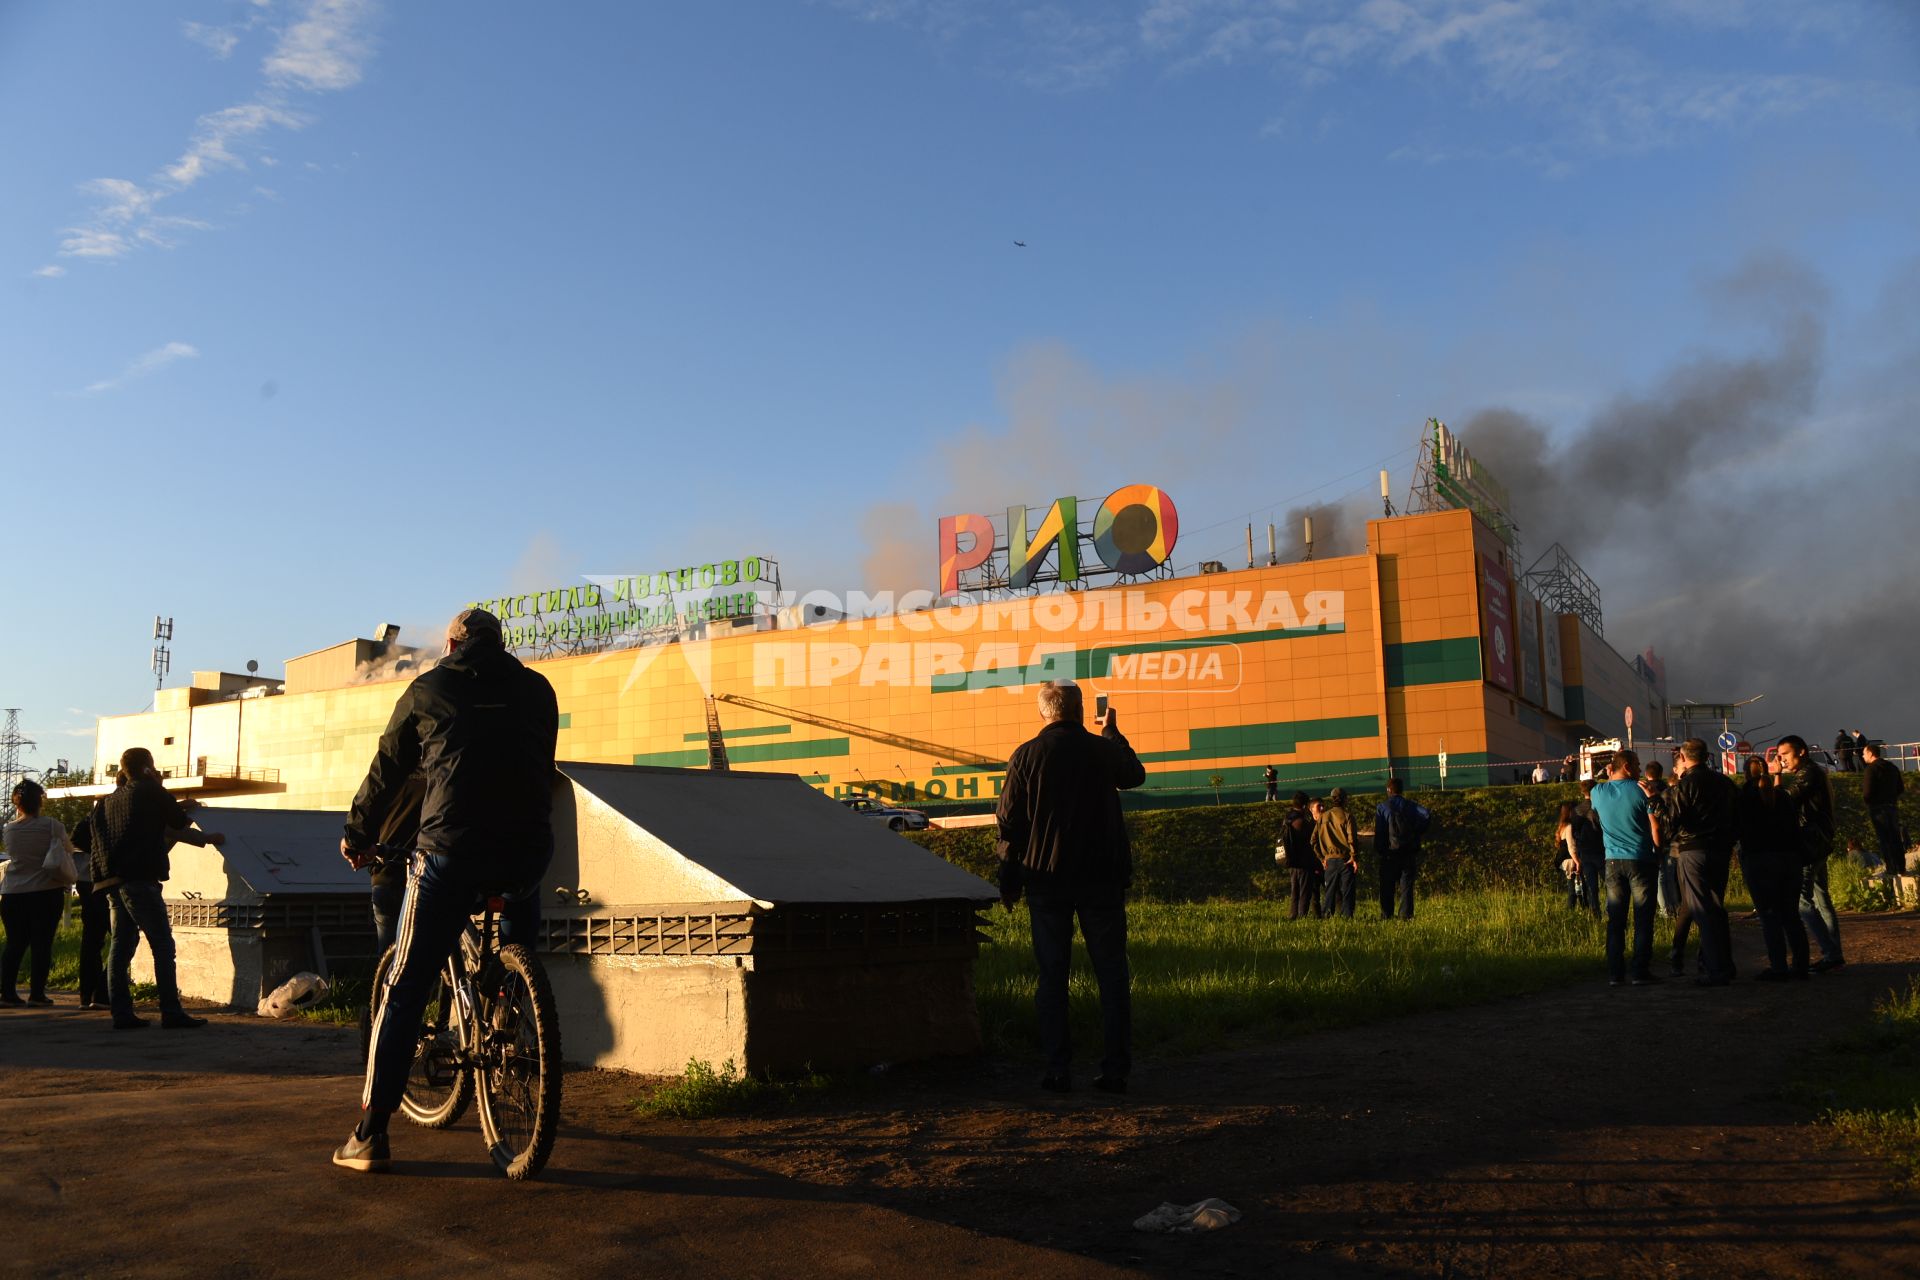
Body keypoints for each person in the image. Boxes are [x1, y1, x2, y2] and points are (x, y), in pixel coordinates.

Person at [334, 607, 560, 1172]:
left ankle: (369, 1134)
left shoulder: (428, 687)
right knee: (517, 932)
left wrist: (357, 835)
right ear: (501, 643)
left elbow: (387, 770)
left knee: (404, 985)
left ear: (452, 643)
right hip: (527, 851)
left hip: (450, 853)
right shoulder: (539, 690)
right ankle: (507, 1009)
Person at [994, 680, 1145, 1096]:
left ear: (1043, 713)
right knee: (1112, 976)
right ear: (1080, 711)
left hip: (1046, 882)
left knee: (1052, 977)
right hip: (1101, 880)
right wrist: (1111, 730)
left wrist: (1008, 882)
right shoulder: (1103, 750)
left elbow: (1009, 825)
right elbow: (1135, 775)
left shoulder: (1026, 756)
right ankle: (1116, 1071)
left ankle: (1058, 1070)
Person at [91, 748, 226, 1030]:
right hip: (140, 879)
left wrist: (177, 807)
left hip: (110, 881)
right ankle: (171, 1011)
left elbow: (159, 825)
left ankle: (122, 1013)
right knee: (163, 945)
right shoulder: (150, 791)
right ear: (148, 768)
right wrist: (181, 805)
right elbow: (176, 822)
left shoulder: (107, 803)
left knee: (120, 947)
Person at [1664, 739, 1738, 986]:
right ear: (1707, 757)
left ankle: (1714, 970)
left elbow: (1673, 820)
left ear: (1684, 758)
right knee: (1716, 907)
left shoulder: (1685, 784)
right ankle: (1724, 965)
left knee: (1701, 910)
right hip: (1721, 849)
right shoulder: (1726, 783)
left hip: (1693, 849)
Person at [1589, 753, 1664, 986]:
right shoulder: (1643, 789)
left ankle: (1615, 973)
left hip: (1612, 860)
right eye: (1638, 765)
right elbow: (1655, 826)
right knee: (1643, 918)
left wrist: (1608, 773)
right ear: (1628, 766)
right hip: (1641, 859)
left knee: (1616, 919)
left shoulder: (1597, 792)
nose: (1641, 769)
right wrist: (1659, 853)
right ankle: (1640, 972)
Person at [1, 780, 77, 1007]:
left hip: (13, 892)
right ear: (40, 801)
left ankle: (7, 993)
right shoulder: (53, 826)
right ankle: (37, 994)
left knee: (14, 944)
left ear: (17, 804)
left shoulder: (9, 829)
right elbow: (68, 851)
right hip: (45, 892)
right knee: (42, 944)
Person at [1737, 756, 1809, 980]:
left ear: (1746, 773)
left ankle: (1778, 966)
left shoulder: (1745, 796)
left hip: (1759, 859)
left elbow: (1738, 827)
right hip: (1789, 858)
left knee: (1769, 916)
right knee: (1791, 915)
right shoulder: (1783, 796)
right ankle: (1801, 965)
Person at [1776, 735, 1843, 972]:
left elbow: (1784, 801)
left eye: (1785, 755)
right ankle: (1834, 953)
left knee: (1802, 901)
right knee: (1821, 897)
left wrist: (1775, 776)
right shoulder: (1814, 772)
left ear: (1801, 752)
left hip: (1809, 843)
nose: (1782, 760)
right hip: (1820, 840)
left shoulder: (1808, 774)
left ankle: (1830, 952)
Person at [367, 772, 428, 954]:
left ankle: (387, 980)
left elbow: (367, 822)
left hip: (385, 875)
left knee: (389, 955)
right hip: (422, 876)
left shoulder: (387, 783)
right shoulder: (436, 784)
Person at [68, 809, 112, 1010]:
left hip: (85, 881)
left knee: (91, 939)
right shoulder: (118, 814)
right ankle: (103, 992)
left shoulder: (94, 814)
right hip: (105, 880)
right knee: (124, 937)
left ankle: (87, 994)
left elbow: (75, 838)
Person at [1373, 778, 1430, 920]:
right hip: (1408, 852)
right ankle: (1406, 915)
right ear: (1401, 790)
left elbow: (1380, 831)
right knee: (1406, 887)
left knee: (1387, 886)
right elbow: (1427, 814)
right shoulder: (1410, 805)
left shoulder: (1382, 807)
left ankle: (1386, 915)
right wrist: (1417, 831)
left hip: (1389, 853)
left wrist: (1380, 849)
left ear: (1388, 790)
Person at [1861, 741, 1907, 875]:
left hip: (1878, 809)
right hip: (1892, 807)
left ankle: (1891, 868)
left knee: (1884, 839)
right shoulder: (1892, 767)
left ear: (1870, 753)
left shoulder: (1871, 769)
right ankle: (1901, 867)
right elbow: (1900, 788)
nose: (1863, 756)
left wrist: (1869, 803)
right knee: (1895, 838)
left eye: (1864, 753)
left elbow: (1867, 792)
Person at [1314, 789, 1358, 919]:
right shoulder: (1348, 816)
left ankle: (1326, 915)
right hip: (1346, 859)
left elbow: (1313, 840)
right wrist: (1354, 857)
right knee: (1347, 891)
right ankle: (1347, 917)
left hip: (1329, 860)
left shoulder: (1322, 817)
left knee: (1329, 891)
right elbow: (1352, 840)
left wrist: (1322, 858)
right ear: (1345, 799)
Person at [1279, 791, 1320, 920]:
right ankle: (1302, 916)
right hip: (1303, 863)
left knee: (1295, 891)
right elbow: (1311, 840)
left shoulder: (1287, 818)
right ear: (1304, 806)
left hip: (1292, 861)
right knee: (1304, 892)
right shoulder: (1301, 822)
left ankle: (1292, 915)